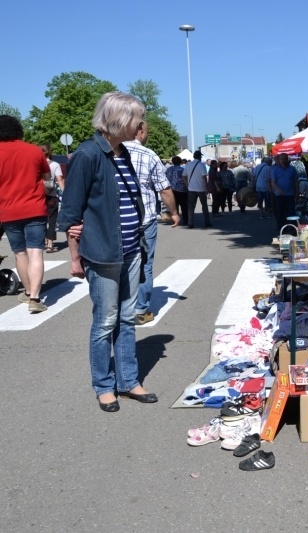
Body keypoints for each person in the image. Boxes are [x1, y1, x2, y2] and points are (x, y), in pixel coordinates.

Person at [57, 91, 158, 411]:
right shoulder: (87, 155)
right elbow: (70, 213)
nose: (141, 124)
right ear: (118, 120)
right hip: (102, 253)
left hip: (131, 249)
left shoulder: (124, 153)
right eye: (136, 118)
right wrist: (75, 257)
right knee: (105, 321)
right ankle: (104, 385)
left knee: (126, 319)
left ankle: (128, 381)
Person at [123, 121, 180, 326]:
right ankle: (140, 310)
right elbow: (164, 190)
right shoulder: (149, 155)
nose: (147, 135)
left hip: (116, 221)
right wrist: (174, 212)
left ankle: (120, 307)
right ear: (139, 131)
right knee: (145, 263)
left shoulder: (110, 153)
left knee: (120, 263)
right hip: (144, 219)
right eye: (146, 131)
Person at [0, 115, 50, 313]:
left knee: (19, 253)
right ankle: (36, 298)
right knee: (35, 251)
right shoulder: (33, 150)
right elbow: (47, 177)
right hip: (35, 208)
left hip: (9, 210)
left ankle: (28, 291)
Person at [40, 144, 63, 253]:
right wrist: (65, 193)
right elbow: (59, 180)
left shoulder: (36, 164)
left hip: (38, 195)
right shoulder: (55, 164)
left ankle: (42, 241)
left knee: (41, 219)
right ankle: (50, 244)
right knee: (52, 219)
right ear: (50, 152)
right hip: (51, 193)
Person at [183, 150, 212, 228]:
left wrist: (187, 185)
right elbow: (204, 177)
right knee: (204, 206)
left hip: (191, 189)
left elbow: (184, 176)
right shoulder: (202, 165)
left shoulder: (188, 165)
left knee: (191, 207)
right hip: (201, 188)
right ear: (200, 157)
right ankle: (207, 222)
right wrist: (206, 188)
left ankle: (190, 223)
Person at [270, 153, 298, 229]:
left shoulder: (292, 169)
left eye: (284, 159)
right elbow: (273, 182)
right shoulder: (275, 170)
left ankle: (292, 228)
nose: (283, 160)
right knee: (280, 212)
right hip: (280, 195)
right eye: (281, 159)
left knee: (291, 212)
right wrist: (278, 189)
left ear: (287, 159)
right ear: (279, 160)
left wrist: (297, 192)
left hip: (290, 194)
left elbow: (295, 181)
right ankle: (282, 228)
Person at [166, 155, 188, 225]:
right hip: (182, 190)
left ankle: (175, 220)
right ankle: (185, 220)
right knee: (184, 206)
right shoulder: (182, 169)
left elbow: (166, 179)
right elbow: (186, 179)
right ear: (180, 162)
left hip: (172, 189)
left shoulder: (169, 169)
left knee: (174, 206)